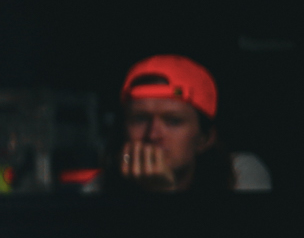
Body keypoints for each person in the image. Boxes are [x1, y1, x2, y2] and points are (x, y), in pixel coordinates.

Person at [96, 55, 272, 193]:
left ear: (205, 138)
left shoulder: (240, 174)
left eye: (173, 121)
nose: (153, 135)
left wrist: (164, 195)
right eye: (140, 119)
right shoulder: (99, 187)